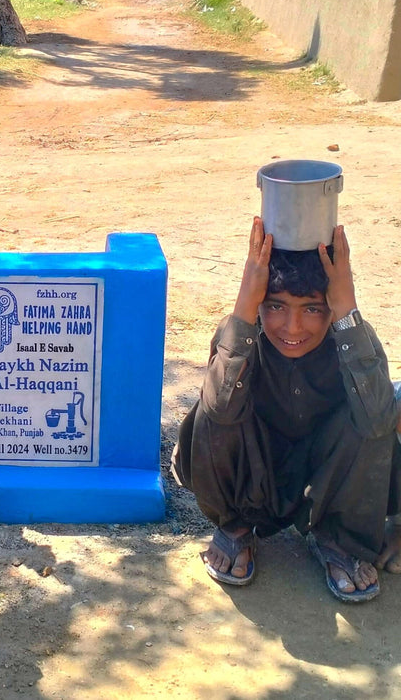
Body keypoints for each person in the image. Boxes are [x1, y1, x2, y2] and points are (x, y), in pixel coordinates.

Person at [171, 217, 401, 602]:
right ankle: (237, 528)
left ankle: (340, 538)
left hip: (330, 478)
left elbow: (379, 421)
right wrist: (245, 305)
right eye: (275, 306)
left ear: (332, 308)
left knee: (375, 405)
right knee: (213, 404)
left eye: (312, 309)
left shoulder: (352, 336)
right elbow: (218, 412)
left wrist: (346, 307)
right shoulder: (242, 332)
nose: (292, 327)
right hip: (254, 479)